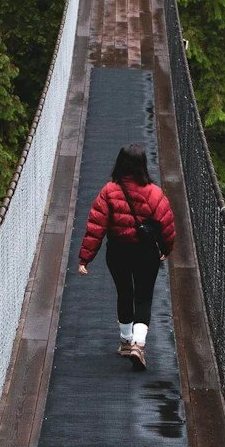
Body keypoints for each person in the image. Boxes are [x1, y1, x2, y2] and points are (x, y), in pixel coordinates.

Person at [77, 144, 176, 368]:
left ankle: (124, 342)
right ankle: (138, 346)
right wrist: (165, 249)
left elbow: (96, 227)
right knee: (143, 296)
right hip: (146, 252)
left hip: (118, 251)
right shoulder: (154, 193)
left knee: (124, 292)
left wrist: (85, 258)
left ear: (120, 163)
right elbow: (166, 225)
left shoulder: (109, 191)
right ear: (143, 165)